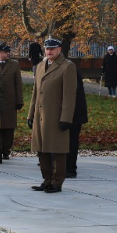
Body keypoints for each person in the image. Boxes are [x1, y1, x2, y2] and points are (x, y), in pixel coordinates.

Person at [27, 38, 77, 193]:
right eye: (47, 49)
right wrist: (31, 114)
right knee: (42, 149)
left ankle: (57, 182)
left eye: (52, 49)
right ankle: (47, 179)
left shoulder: (67, 67)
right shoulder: (41, 66)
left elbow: (69, 96)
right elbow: (36, 93)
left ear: (59, 49)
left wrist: (66, 118)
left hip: (56, 115)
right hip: (40, 115)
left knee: (58, 149)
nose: (49, 51)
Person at [0, 43, 23, 159]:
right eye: (5, 52)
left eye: (8, 52)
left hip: (10, 100)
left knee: (9, 126)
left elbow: (18, 84)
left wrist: (19, 100)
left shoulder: (14, 65)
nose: (8, 54)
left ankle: (6, 150)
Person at [62, 47, 88, 178]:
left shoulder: (69, 68)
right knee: (68, 141)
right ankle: (67, 166)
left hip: (73, 113)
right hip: (71, 112)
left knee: (71, 141)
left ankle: (70, 168)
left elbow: (71, 94)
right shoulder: (68, 67)